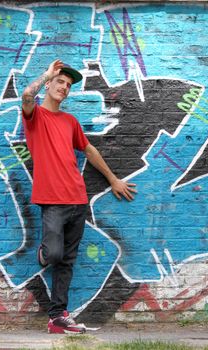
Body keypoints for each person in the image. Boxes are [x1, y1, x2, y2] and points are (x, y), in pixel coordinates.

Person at [21, 59, 137, 334]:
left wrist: (113, 179)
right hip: (51, 200)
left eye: (68, 85)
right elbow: (26, 96)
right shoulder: (35, 116)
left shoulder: (70, 121)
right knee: (53, 254)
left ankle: (58, 317)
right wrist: (46, 73)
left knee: (67, 262)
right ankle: (44, 253)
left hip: (77, 199)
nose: (64, 87)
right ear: (48, 85)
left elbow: (89, 150)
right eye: (60, 82)